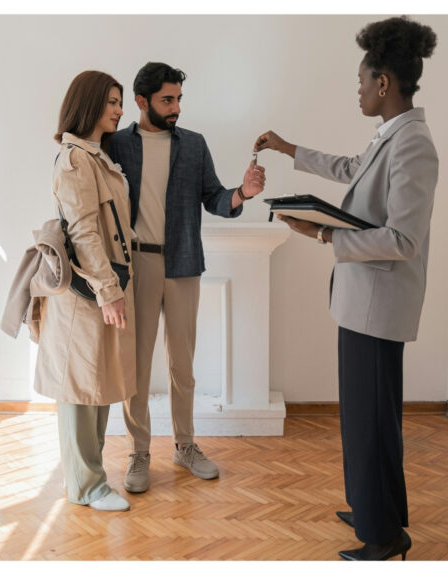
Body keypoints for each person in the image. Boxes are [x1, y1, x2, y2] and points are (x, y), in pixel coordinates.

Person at [254, 16, 438, 561]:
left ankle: (383, 538)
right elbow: (352, 169)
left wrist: (324, 233)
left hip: (379, 307)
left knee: (374, 420)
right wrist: (291, 150)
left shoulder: (414, 146)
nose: (357, 90)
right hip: (362, 303)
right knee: (363, 417)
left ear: (384, 82)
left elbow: (403, 239)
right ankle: (373, 510)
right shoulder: (391, 137)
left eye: (361, 81)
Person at [108, 62, 266, 493]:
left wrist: (242, 194)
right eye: (167, 99)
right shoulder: (115, 145)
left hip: (183, 263)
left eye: (178, 99)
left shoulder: (194, 145)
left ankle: (185, 445)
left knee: (183, 364)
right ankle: (139, 452)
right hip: (136, 264)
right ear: (142, 102)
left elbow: (214, 197)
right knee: (137, 365)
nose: (176, 107)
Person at [34, 70, 136, 512]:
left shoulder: (95, 156)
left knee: (96, 383)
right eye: (112, 101)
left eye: (119, 102)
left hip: (99, 287)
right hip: (87, 291)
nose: (119, 109)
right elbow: (85, 233)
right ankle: (85, 487)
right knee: (78, 388)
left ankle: (89, 481)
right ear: (91, 103)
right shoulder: (75, 159)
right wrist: (109, 291)